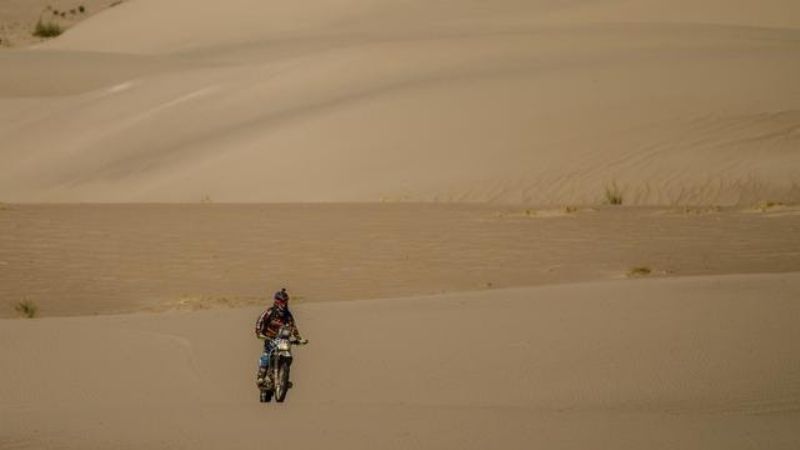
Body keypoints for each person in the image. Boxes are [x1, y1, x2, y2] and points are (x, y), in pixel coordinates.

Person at [255, 288, 307, 388]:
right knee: (267, 355)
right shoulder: (270, 312)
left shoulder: (288, 315)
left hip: (283, 340)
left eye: (285, 301)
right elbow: (260, 321)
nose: (283, 304)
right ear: (277, 301)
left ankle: (284, 378)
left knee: (288, 356)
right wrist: (258, 332)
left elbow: (293, 327)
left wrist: (299, 338)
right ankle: (261, 376)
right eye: (282, 301)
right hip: (269, 338)